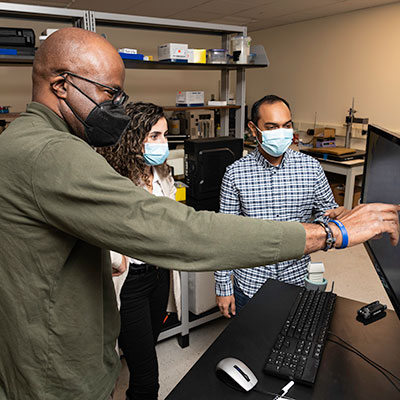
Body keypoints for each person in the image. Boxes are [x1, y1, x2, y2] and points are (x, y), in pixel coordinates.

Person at [0, 27, 398, 400]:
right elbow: (183, 232)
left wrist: (336, 218)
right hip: (55, 376)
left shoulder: (31, 142)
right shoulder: (51, 153)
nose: (117, 108)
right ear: (61, 85)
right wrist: (329, 235)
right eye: (109, 93)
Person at [215, 95, 338, 317]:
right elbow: (225, 237)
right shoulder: (235, 174)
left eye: (286, 126)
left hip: (298, 279)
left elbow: (328, 213)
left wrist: (337, 222)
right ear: (254, 129)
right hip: (251, 284)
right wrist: (223, 288)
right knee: (250, 347)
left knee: (295, 345)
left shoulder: (311, 168)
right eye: (272, 127)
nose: (281, 133)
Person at [97, 102, 178, 400]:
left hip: (159, 274)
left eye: (165, 136)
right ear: (132, 138)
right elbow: (92, 227)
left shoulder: (162, 174)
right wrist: (115, 258)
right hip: (129, 280)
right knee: (147, 377)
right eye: (154, 136)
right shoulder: (111, 179)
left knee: (146, 347)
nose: (163, 143)